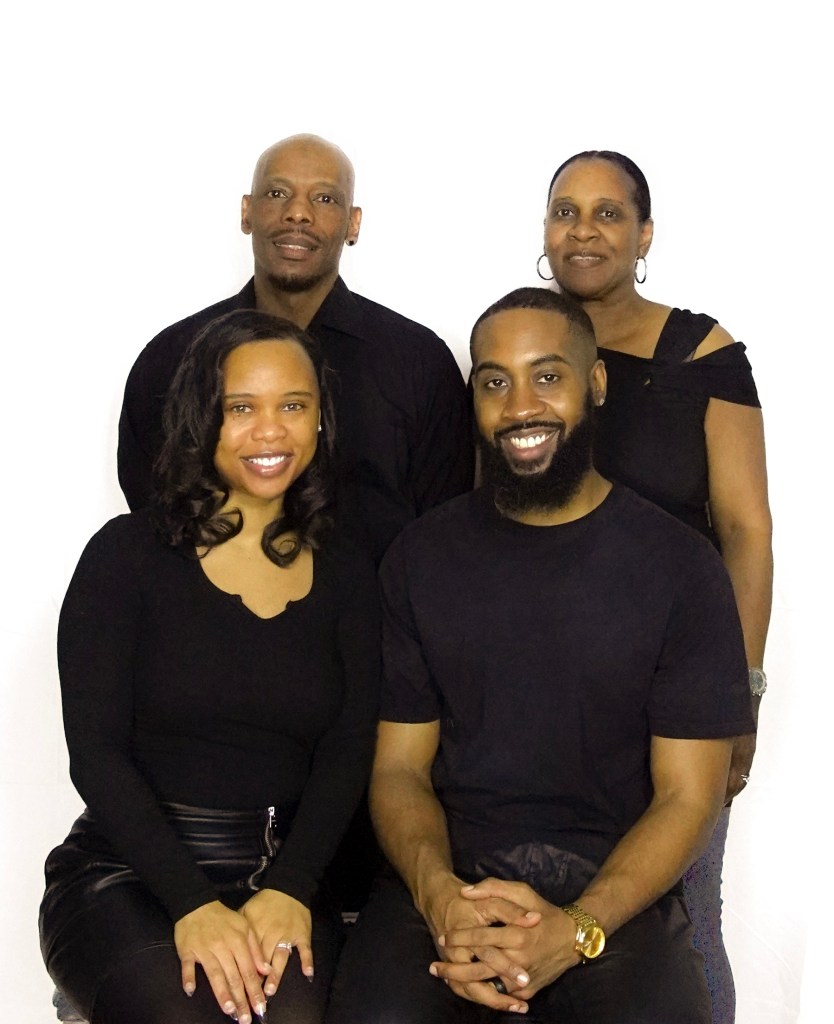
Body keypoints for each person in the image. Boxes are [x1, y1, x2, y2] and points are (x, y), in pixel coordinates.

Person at [324, 288, 755, 1024]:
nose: (520, 405)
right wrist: (440, 902)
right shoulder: (418, 561)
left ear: (596, 385)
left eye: (547, 376)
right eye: (495, 382)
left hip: (611, 900)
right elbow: (397, 768)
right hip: (447, 893)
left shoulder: (680, 568)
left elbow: (690, 796)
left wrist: (578, 928)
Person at [40, 310, 380, 1024]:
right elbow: (96, 754)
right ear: (203, 419)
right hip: (129, 873)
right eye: (240, 408)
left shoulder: (349, 575)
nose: (270, 431)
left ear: (320, 420)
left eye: (293, 406)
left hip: (280, 878)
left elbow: (349, 750)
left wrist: (290, 886)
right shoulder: (125, 557)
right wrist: (191, 903)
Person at [538, 150, 772, 1023]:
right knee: (546, 908)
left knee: (683, 916)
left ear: (644, 234)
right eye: (566, 211)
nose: (584, 230)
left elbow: (747, 532)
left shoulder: (701, 354)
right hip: (543, 691)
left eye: (607, 213)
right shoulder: (522, 345)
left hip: (678, 691)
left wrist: (739, 696)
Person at [118, 133, 473, 565]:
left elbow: (443, 529)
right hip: (208, 626)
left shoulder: (419, 363)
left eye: (324, 199)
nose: (298, 213)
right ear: (247, 212)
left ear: (354, 223)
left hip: (375, 627)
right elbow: (155, 516)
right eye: (277, 193)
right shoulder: (171, 358)